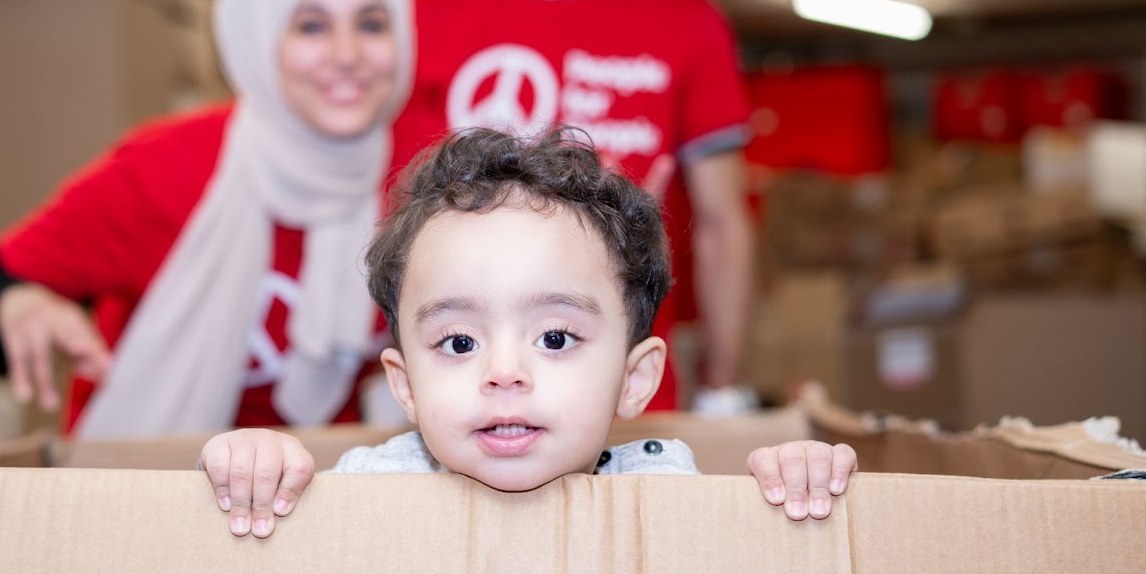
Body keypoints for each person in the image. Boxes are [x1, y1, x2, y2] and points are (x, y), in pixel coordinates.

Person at [198, 127, 854, 538]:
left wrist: (790, 487)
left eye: (555, 338)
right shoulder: (369, 491)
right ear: (404, 386)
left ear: (635, 380)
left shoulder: (664, 495)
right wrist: (262, 464)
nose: (503, 371)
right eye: (459, 343)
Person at [0, 0, 413, 436]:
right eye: (311, 26)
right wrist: (15, 302)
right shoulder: (167, 166)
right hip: (150, 481)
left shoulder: (423, 172)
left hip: (329, 487)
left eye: (372, 24)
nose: (347, 55)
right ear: (257, 38)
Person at [392, 0, 757, 417]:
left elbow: (723, 226)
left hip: (632, 402)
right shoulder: (425, 18)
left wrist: (724, 388)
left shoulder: (687, 21)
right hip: (464, 402)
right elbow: (398, 219)